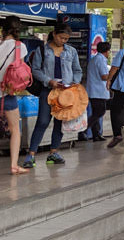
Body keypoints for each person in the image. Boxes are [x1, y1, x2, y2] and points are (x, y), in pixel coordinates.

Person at [24, 23, 82, 168]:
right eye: (62, 38)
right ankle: (31, 155)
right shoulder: (42, 50)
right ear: (54, 34)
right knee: (42, 121)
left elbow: (77, 70)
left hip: (65, 92)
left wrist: (74, 84)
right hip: (48, 90)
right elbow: (35, 70)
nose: (64, 41)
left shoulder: (71, 51)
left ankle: (53, 153)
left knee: (59, 122)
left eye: (66, 39)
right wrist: (48, 81)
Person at [0, 16, 29, 174]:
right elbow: (19, 73)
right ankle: (13, 165)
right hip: (7, 93)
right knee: (15, 130)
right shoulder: (20, 47)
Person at [84, 42, 111, 142]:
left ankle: (96, 134)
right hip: (98, 91)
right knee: (100, 112)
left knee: (96, 112)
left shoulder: (95, 58)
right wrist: (112, 74)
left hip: (94, 90)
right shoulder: (101, 60)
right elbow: (104, 76)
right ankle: (84, 128)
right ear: (107, 51)